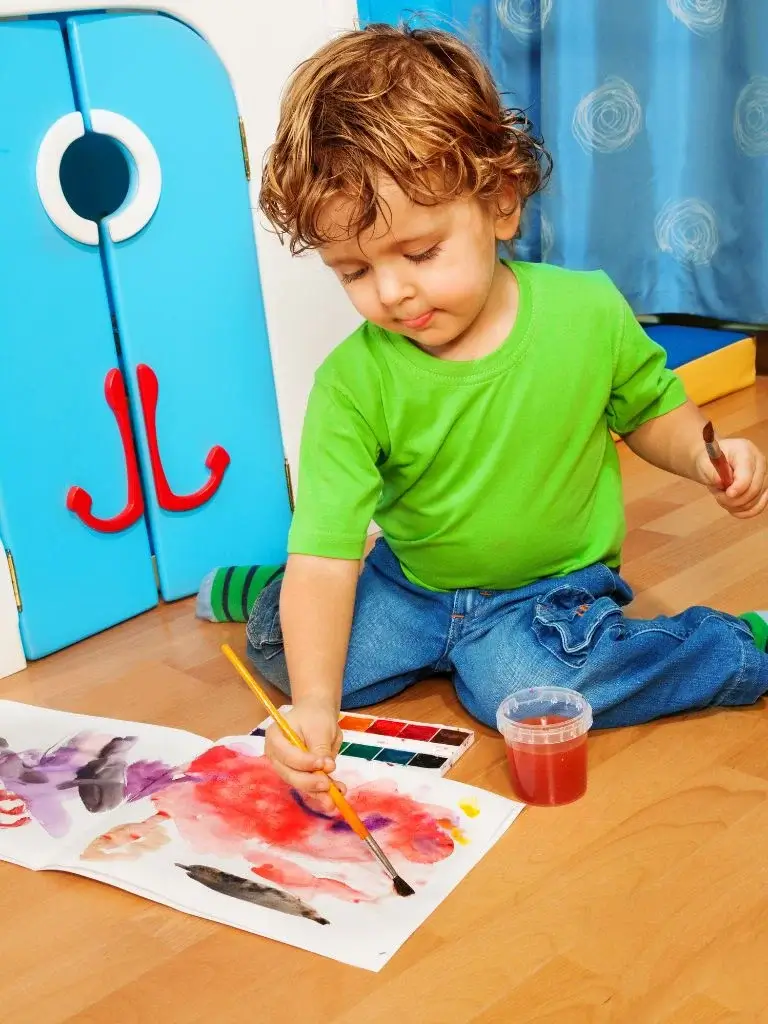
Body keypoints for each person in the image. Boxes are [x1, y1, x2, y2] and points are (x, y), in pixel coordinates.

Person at [246, 23, 768, 806]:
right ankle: (264, 592)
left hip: (547, 596)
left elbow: (652, 410)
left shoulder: (587, 311)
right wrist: (316, 709)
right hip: (414, 586)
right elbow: (327, 558)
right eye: (353, 270)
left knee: (526, 688)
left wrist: (703, 455)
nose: (390, 293)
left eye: (419, 254)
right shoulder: (351, 384)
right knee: (292, 648)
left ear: (500, 203)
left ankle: (739, 646)